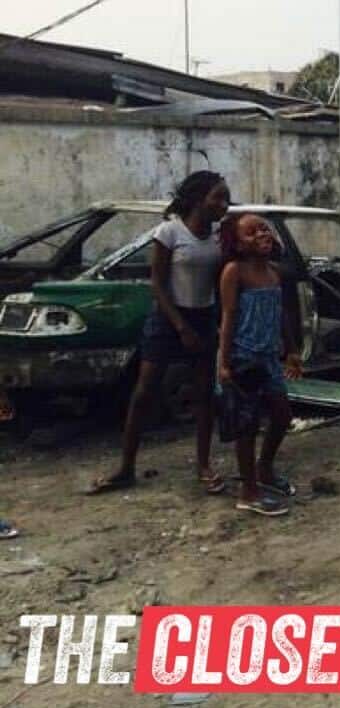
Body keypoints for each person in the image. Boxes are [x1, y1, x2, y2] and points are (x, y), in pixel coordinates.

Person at [89, 170, 230, 495]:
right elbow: (158, 283)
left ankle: (203, 466)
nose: (224, 204)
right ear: (198, 199)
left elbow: (221, 281)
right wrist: (180, 326)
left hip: (204, 316)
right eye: (217, 197)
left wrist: (220, 322)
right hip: (169, 318)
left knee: (205, 395)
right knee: (144, 392)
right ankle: (125, 467)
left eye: (226, 197)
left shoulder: (220, 236)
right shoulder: (169, 231)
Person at [217, 213, 302, 517]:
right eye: (251, 233)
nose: (262, 235)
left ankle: (264, 468)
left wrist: (291, 350)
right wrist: (223, 364)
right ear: (237, 244)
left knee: (282, 415)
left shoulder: (273, 272)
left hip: (269, 358)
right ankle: (248, 491)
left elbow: (280, 315)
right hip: (243, 357)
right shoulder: (233, 272)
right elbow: (227, 319)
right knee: (247, 426)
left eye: (264, 229)